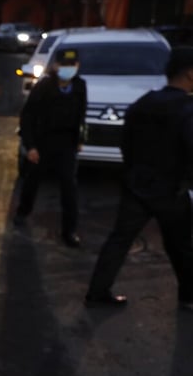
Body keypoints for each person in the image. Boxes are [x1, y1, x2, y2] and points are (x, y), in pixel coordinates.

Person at [85, 46, 193, 307]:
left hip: (137, 185)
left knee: (119, 240)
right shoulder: (187, 109)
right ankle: (188, 297)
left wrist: (133, 172)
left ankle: (97, 292)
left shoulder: (143, 103)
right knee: (180, 245)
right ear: (190, 74)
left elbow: (126, 143)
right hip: (172, 190)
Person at [14, 48, 87, 248]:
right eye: (64, 65)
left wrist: (80, 139)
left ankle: (69, 231)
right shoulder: (44, 86)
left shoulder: (80, 86)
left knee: (69, 188)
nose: (69, 69)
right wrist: (30, 146)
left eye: (73, 65)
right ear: (55, 66)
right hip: (43, 141)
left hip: (66, 144)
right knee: (32, 180)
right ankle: (23, 211)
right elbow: (27, 116)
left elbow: (82, 116)